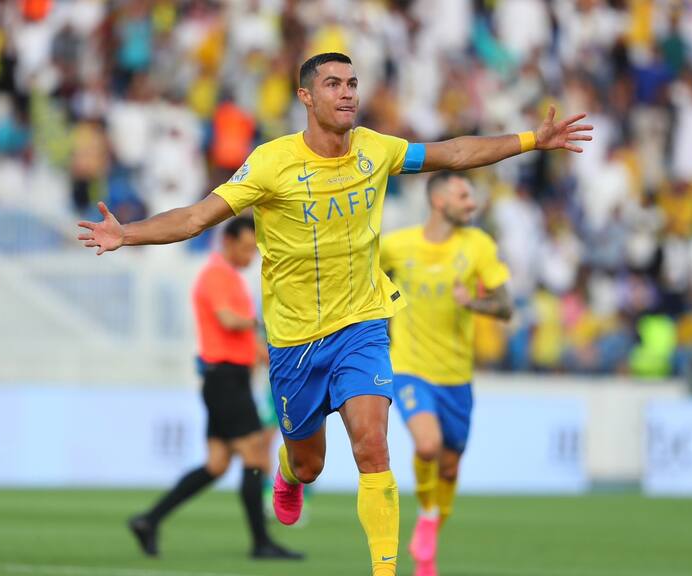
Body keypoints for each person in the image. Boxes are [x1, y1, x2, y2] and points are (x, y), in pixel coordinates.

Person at [78, 52, 592, 576]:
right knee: (310, 463)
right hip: (294, 342)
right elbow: (195, 217)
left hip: (361, 326)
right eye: (332, 84)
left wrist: (531, 139)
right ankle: (287, 471)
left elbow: (455, 152)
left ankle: (386, 570)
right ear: (306, 97)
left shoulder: (376, 149)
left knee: (373, 447)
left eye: (352, 83)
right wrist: (128, 233)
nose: (347, 92)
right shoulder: (271, 163)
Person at [127, 216, 303, 561]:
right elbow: (228, 320)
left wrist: (274, 361)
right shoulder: (217, 275)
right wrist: (263, 322)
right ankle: (261, 543)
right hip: (225, 380)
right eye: (247, 248)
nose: (251, 255)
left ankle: (149, 520)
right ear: (228, 242)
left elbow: (242, 337)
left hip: (228, 379)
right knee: (255, 456)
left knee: (218, 463)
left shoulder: (231, 278)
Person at [381, 173, 512, 576]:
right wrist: (388, 305)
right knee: (427, 446)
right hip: (409, 368)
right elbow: (368, 279)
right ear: (438, 201)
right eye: (463, 196)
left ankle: (431, 530)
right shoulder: (396, 246)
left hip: (456, 375)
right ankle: (426, 515)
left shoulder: (478, 246)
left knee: (450, 467)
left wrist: (474, 302)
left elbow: (505, 306)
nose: (471, 204)